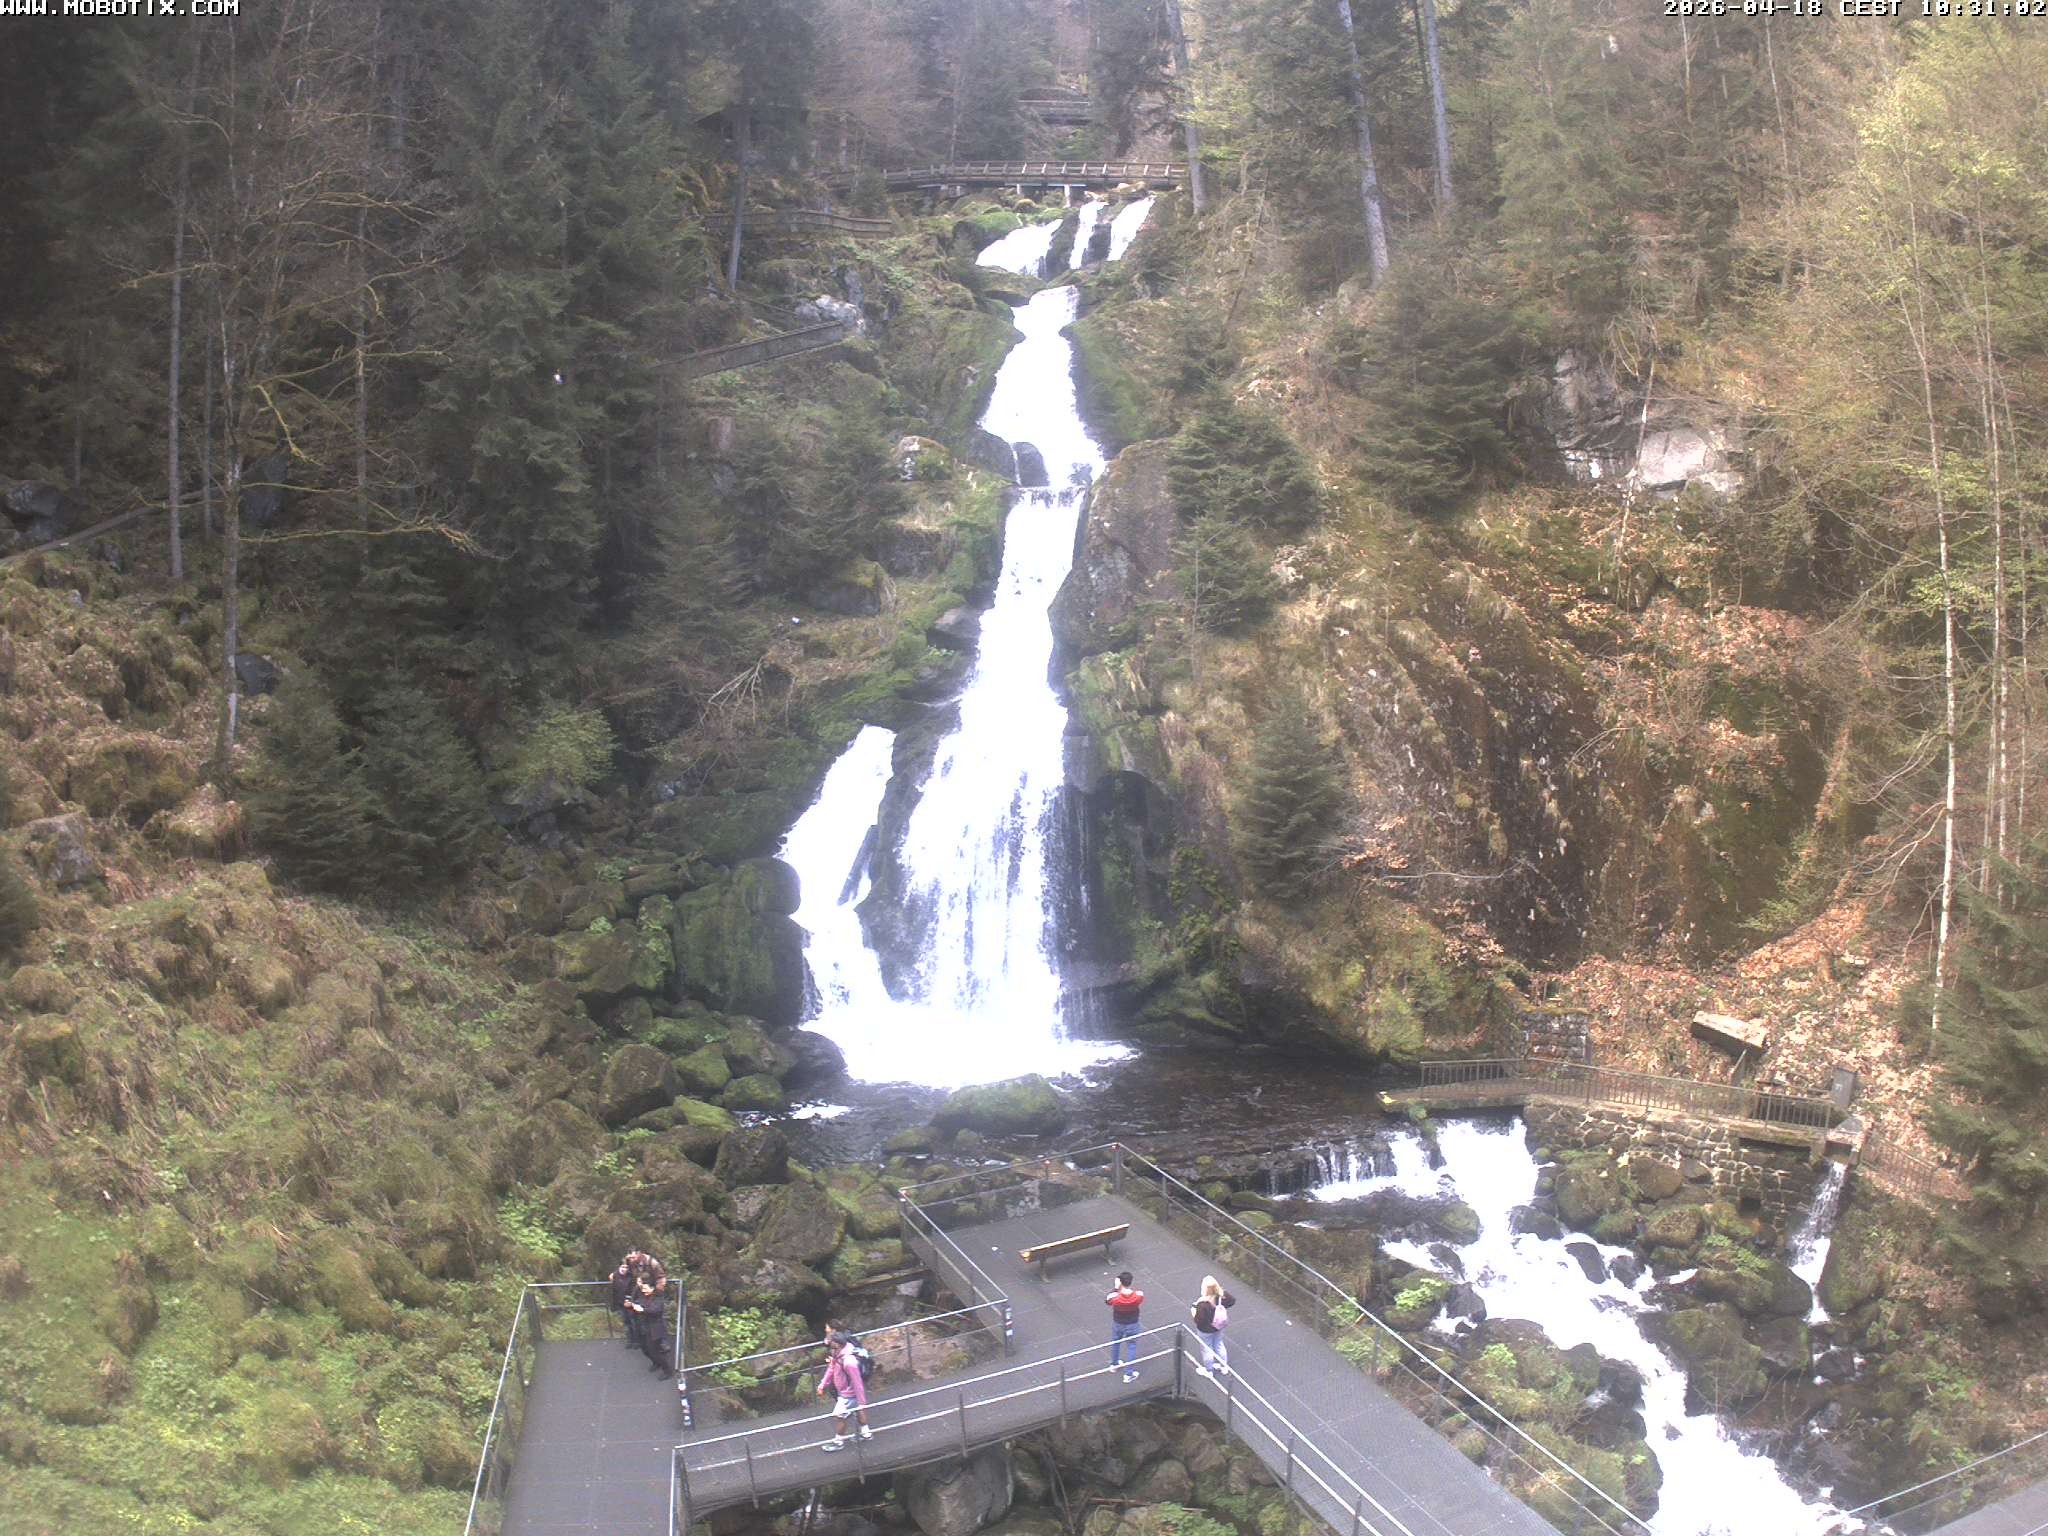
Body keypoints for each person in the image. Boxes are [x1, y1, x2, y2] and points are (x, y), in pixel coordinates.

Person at [816, 1327, 873, 1451]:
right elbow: (831, 1368)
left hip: (849, 1394)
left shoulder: (849, 1362)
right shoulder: (837, 1355)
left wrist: (862, 1402)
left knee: (840, 1416)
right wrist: (823, 1385)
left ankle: (838, 1442)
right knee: (857, 1411)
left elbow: (857, 1383)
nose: (830, 1349)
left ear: (839, 1345)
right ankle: (866, 1434)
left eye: (832, 1346)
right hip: (845, 1392)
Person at [1190, 1274, 1234, 1378]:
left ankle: (1209, 1371)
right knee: (1219, 1344)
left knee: (1207, 1348)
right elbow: (1232, 1301)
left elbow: (1199, 1320)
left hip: (1205, 1330)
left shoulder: (1202, 1303)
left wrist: (1193, 1312)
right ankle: (1224, 1367)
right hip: (1219, 1326)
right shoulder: (1221, 1297)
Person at [627, 1276, 672, 1375]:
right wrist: (631, 1306)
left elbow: (656, 1310)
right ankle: (656, 1363)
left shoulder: (658, 1297)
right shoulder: (643, 1297)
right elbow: (637, 1304)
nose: (643, 1291)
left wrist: (643, 1310)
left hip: (654, 1328)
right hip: (642, 1327)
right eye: (643, 1289)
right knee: (644, 1349)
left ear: (652, 1288)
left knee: (654, 1351)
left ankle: (667, 1370)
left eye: (646, 1288)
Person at [1106, 1270, 1144, 1383]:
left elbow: (1107, 1301)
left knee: (1115, 1342)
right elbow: (1140, 1296)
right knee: (1131, 1346)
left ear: (1120, 1282)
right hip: (1132, 1323)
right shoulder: (1138, 1295)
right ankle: (1129, 1374)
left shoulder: (1115, 1297)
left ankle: (1114, 1364)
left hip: (1118, 1322)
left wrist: (1116, 1288)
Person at [611, 1255, 642, 1352]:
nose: (624, 1269)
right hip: (620, 1303)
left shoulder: (631, 1277)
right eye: (622, 1267)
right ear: (619, 1267)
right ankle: (630, 1341)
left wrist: (629, 1301)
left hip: (630, 1303)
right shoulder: (615, 1276)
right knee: (626, 1323)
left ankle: (637, 1341)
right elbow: (614, 1290)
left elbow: (633, 1290)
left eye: (626, 1267)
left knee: (634, 1322)